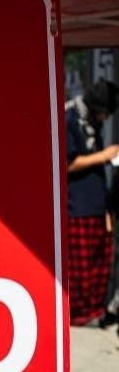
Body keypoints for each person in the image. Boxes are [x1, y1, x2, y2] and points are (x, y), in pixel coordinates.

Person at [64, 79, 119, 326]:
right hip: (78, 206)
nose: (105, 118)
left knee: (100, 262)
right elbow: (67, 163)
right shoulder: (70, 118)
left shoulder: (91, 122)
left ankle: (96, 311)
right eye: (104, 112)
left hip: (97, 204)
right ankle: (81, 314)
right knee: (81, 268)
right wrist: (104, 156)